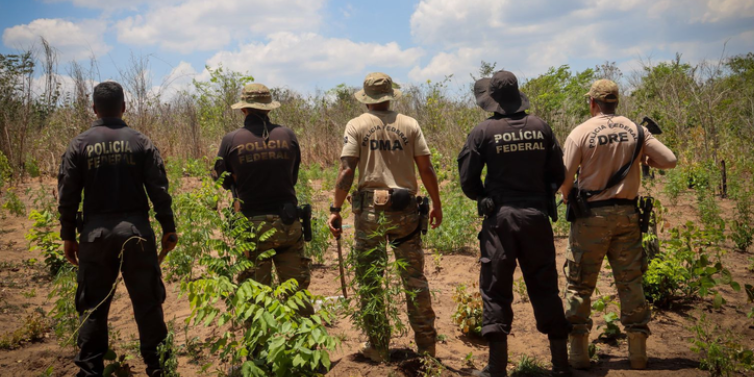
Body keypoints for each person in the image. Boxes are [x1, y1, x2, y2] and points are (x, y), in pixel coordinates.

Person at [58, 81, 178, 377]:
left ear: (95, 109)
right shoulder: (140, 142)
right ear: (124, 107)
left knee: (93, 306)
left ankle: (90, 371)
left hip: (95, 236)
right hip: (136, 233)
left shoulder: (79, 144)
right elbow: (159, 189)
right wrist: (168, 228)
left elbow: (68, 195)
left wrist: (67, 236)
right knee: (148, 304)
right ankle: (158, 368)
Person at [458, 70, 571, 377]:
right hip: (536, 218)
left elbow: (467, 178)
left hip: (501, 220)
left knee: (495, 289)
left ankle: (496, 369)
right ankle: (561, 366)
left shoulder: (482, 131)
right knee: (545, 286)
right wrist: (540, 193)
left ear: (493, 99)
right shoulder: (541, 127)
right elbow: (558, 173)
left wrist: (482, 196)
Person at [559, 79, 677, 370]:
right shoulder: (637, 130)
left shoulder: (581, 132)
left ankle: (579, 354)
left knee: (579, 284)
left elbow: (564, 178)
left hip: (590, 219)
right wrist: (643, 159)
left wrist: (566, 196)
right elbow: (670, 160)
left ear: (592, 103)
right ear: (616, 101)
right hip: (627, 215)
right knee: (630, 282)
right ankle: (637, 354)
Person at [327, 72, 443, 362]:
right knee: (415, 279)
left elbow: (346, 170)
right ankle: (427, 349)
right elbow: (426, 169)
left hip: (369, 212)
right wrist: (437, 204)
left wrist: (336, 208)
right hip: (405, 210)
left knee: (370, 280)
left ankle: (377, 345)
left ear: (367, 100)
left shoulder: (357, 125)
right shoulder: (409, 124)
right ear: (391, 95)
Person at [212, 83, 312, 314]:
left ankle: (260, 348)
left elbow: (222, 180)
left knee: (256, 296)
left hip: (252, 227)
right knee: (296, 293)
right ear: (268, 109)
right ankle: (305, 343)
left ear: (243, 110)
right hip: (288, 223)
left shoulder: (231, 140)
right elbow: (293, 176)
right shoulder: (287, 135)